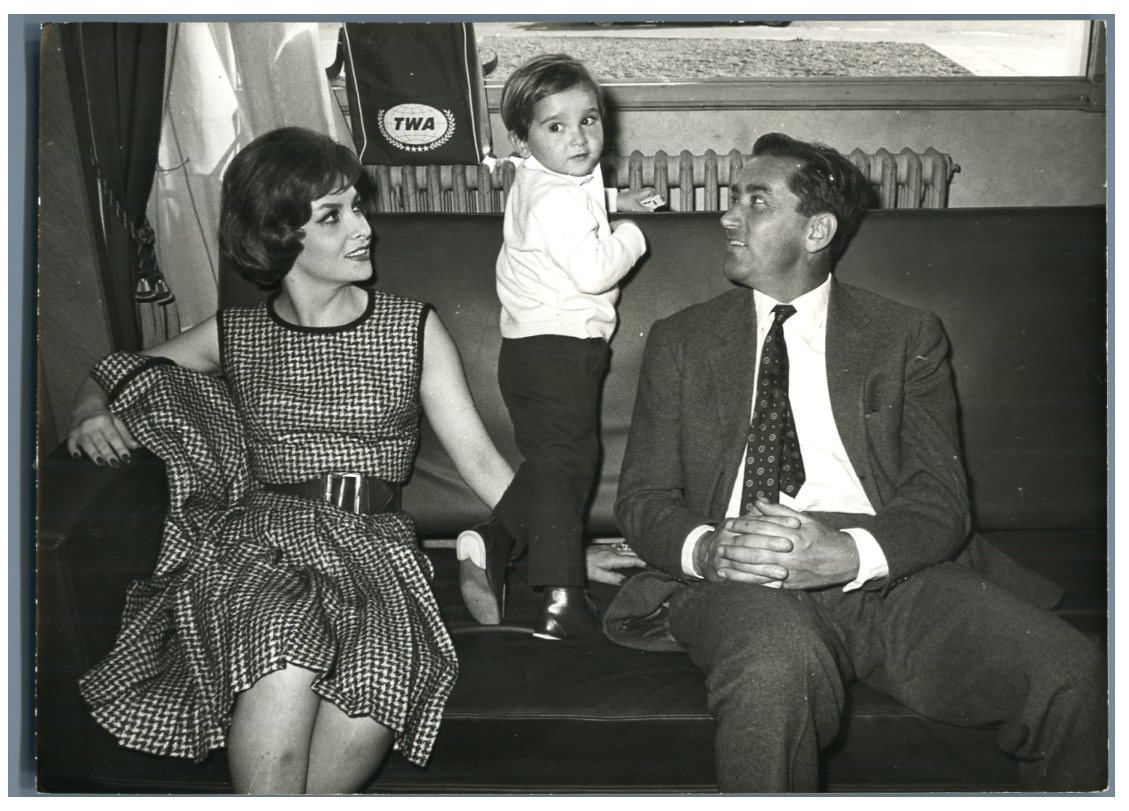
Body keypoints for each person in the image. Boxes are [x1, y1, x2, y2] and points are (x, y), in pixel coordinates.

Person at [610, 132, 1106, 792]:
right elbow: (641, 498)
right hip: (739, 578)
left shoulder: (904, 335)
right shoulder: (681, 340)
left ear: (816, 229)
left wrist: (849, 552)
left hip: (885, 573)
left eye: (755, 200)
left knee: (1073, 672)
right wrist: (708, 550)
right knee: (776, 663)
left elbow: (938, 495)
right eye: (734, 198)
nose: (728, 215)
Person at [66, 127, 527, 794]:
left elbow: (482, 462)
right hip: (263, 541)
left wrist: (559, 547)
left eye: (358, 206)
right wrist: (87, 409)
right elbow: (117, 369)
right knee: (282, 653)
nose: (363, 227)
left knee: (376, 683)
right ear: (280, 236)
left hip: (377, 549)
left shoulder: (409, 326)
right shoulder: (236, 332)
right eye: (333, 215)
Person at [457, 54, 653, 640]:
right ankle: (562, 597)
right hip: (557, 350)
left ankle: (491, 542)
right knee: (567, 469)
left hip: (536, 352)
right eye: (556, 126)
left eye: (588, 120)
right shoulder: (557, 198)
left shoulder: (546, 179)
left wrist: (618, 203)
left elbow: (577, 209)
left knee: (558, 464)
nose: (579, 139)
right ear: (521, 137)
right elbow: (593, 270)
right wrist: (633, 235)